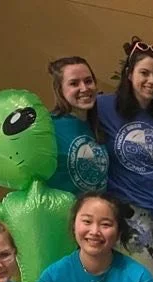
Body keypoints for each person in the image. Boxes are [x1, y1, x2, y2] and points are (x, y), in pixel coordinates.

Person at [96, 37, 153, 281]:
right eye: (144, 73)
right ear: (129, 74)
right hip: (129, 210)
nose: (151, 81)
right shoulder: (104, 106)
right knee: (142, 281)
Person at [47, 56, 109, 196]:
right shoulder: (48, 127)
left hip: (96, 214)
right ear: (60, 89)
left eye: (88, 81)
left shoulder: (100, 123)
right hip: (64, 216)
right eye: (74, 83)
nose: (84, 88)